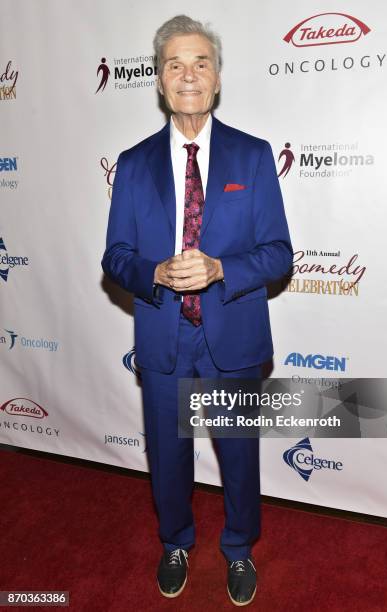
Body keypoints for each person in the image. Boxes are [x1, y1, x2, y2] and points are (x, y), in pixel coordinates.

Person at [101, 14, 293, 607]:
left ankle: (238, 548)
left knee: (238, 455)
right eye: (175, 64)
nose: (189, 75)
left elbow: (279, 253)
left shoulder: (254, 155)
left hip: (231, 334)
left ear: (216, 78)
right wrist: (153, 272)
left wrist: (220, 270)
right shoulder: (132, 164)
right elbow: (116, 255)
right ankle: (176, 541)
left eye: (200, 63)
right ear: (160, 81)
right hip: (164, 338)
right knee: (167, 454)